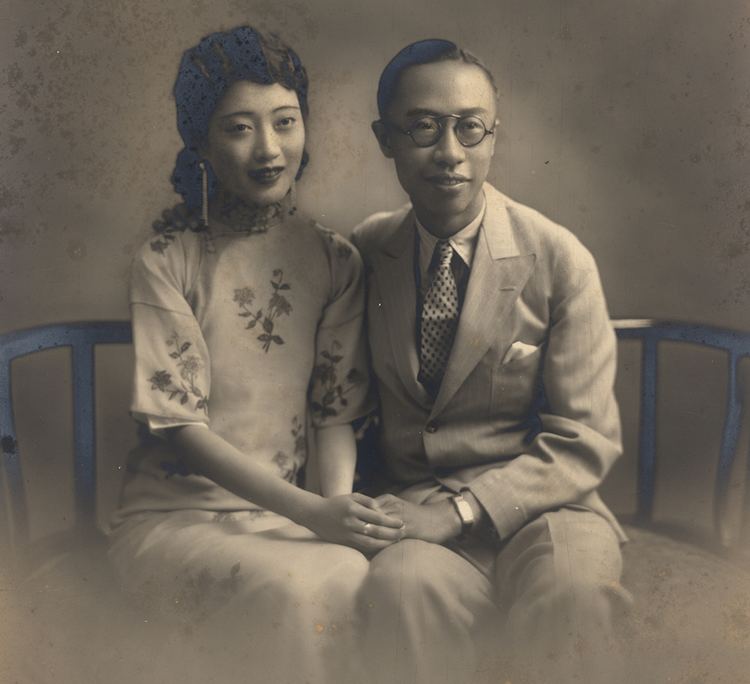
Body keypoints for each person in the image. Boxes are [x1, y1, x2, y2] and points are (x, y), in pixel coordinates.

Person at [107, 26, 404, 684]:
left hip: (288, 517)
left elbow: (333, 412)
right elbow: (182, 429)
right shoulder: (168, 260)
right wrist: (311, 515)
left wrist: (337, 510)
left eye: (285, 122)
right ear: (202, 143)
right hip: (175, 521)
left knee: (356, 571)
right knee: (299, 592)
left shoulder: (334, 261)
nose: (269, 149)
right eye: (240, 128)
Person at [352, 39, 632, 684]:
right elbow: (337, 399)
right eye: (422, 127)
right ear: (385, 138)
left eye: (469, 127)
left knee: (572, 594)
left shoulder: (558, 258)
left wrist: (457, 514)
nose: (450, 153)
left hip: (548, 505)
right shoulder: (367, 252)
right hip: (416, 499)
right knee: (402, 589)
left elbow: (584, 441)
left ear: (493, 136)